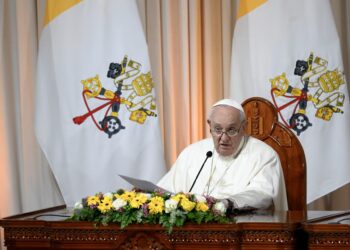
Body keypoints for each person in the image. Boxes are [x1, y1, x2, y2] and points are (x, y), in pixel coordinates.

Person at [157, 98, 288, 212]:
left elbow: (262, 194)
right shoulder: (192, 153)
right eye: (218, 130)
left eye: (231, 130)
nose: (224, 138)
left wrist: (227, 203)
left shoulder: (264, 155)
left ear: (243, 127)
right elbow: (164, 190)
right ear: (209, 125)